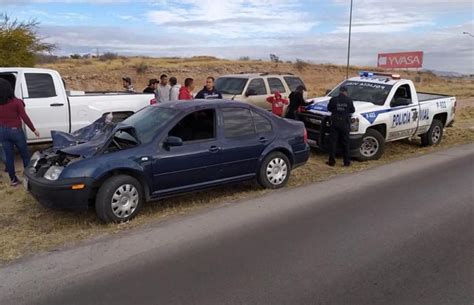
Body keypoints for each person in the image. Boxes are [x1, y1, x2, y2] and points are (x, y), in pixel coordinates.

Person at [0, 79, 40, 186]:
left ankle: (13, 180)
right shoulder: (17, 102)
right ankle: (28, 178)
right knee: (25, 156)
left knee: (9, 157)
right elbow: (24, 117)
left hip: (2, 132)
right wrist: (34, 129)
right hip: (16, 131)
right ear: (9, 89)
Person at [326, 86, 355, 167]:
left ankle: (332, 161)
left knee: (333, 143)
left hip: (334, 122)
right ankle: (346, 162)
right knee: (345, 143)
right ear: (346, 92)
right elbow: (352, 110)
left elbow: (329, 108)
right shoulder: (349, 100)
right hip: (345, 123)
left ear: (340, 91)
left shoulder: (333, 99)